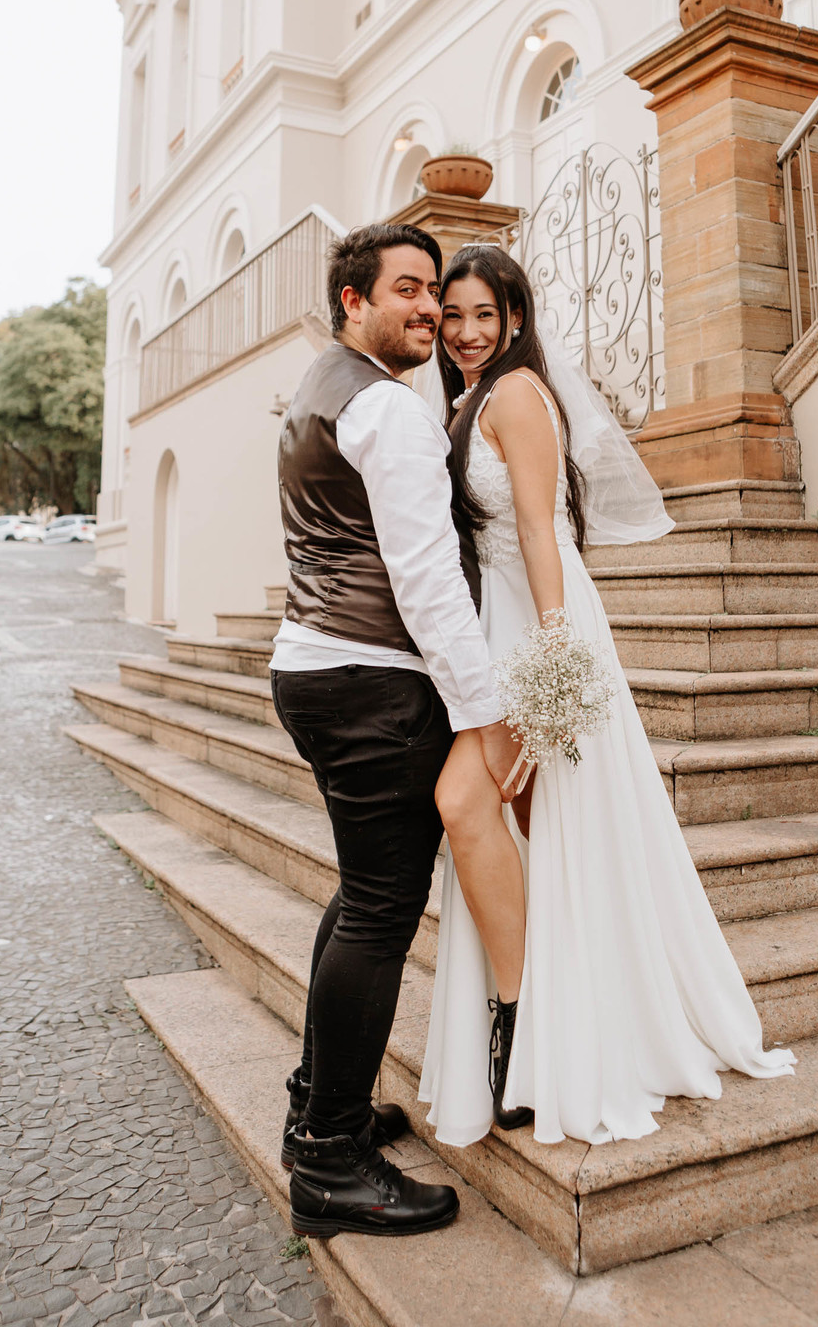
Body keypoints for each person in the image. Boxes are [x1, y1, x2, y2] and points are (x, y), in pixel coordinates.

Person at [419, 243, 796, 1148]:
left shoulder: (516, 393)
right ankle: (539, 1018)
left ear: (515, 318)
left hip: (541, 626)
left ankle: (530, 1024)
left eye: (485, 315)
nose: (467, 332)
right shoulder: (467, 400)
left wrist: (554, 656)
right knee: (532, 825)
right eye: (454, 315)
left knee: (476, 804)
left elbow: (540, 532)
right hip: (499, 624)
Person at [269, 222, 521, 1238]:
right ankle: (331, 1162)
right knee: (380, 911)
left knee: (359, 898)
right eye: (407, 290)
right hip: (371, 681)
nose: (427, 308)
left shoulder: (320, 390)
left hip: (316, 667)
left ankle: (316, 1105)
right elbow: (425, 581)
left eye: (433, 292)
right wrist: (486, 712)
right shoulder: (391, 411)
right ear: (354, 301)